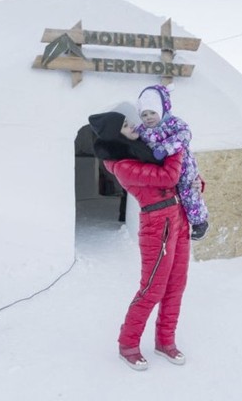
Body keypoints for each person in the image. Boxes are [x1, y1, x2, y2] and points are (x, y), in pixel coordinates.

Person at [88, 110, 192, 371]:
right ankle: (128, 344)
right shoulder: (121, 165)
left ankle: (165, 341)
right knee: (152, 289)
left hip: (178, 218)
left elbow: (178, 179)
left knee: (176, 286)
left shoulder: (142, 149)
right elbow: (169, 177)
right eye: (124, 125)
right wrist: (177, 144)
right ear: (115, 133)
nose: (132, 125)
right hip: (158, 226)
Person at [135, 84, 209, 240]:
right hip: (166, 171)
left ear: (161, 110)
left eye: (152, 112)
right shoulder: (142, 130)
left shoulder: (174, 123)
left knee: (189, 192)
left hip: (185, 166)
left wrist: (165, 148)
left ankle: (199, 222)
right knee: (174, 198)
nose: (148, 117)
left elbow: (185, 135)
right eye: (144, 114)